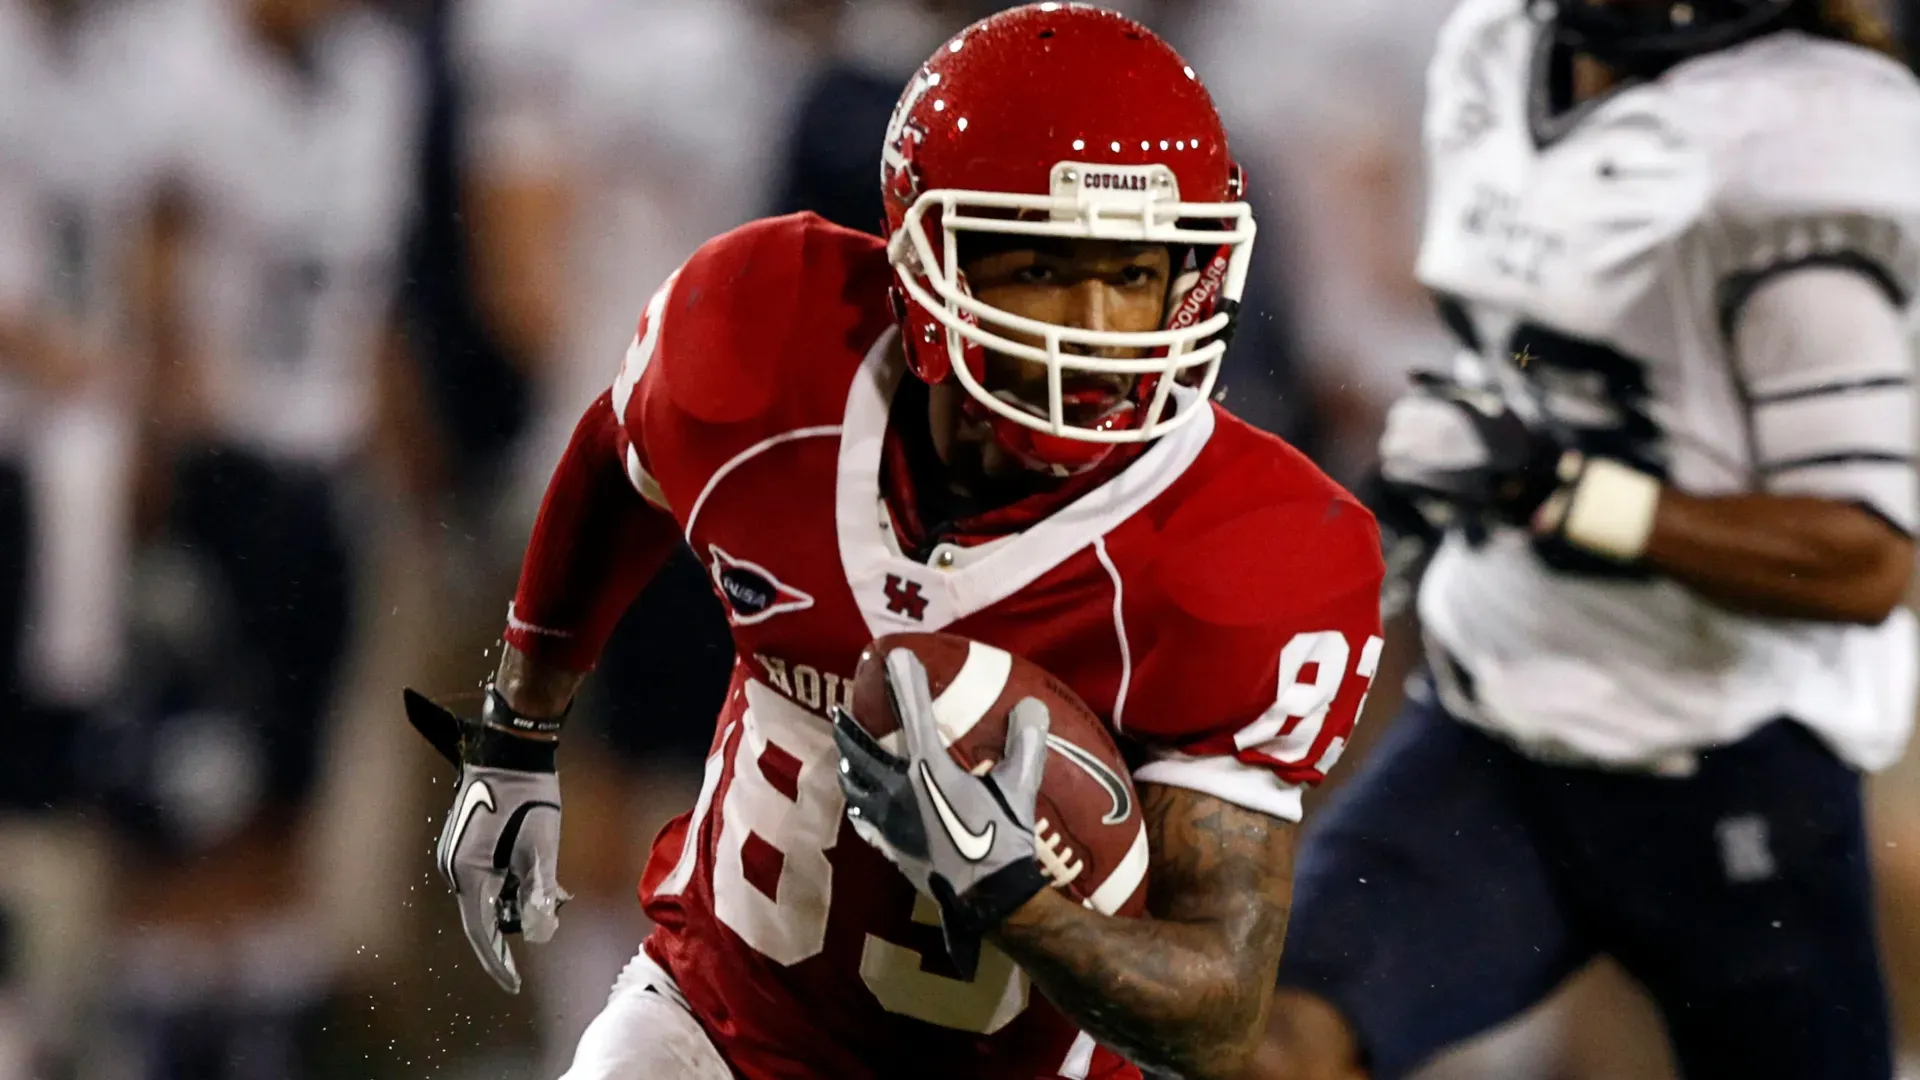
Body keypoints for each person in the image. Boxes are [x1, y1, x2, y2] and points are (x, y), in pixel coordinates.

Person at [404, 5, 1385, 1079]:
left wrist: (1017, 900)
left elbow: (1220, 1011)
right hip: (715, 1025)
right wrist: (519, 729)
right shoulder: (773, 342)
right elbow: (617, 452)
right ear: (929, 258)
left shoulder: (1248, 544)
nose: (1099, 329)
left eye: (1135, 274)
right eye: (1043, 268)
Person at [1256, 1, 1920, 1078]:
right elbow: (1532, 344)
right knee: (1267, 1046)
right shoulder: (1503, 46)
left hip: (1730, 752)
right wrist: (1461, 452)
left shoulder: (1800, 140)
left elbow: (1861, 558)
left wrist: (1560, 492)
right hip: (1501, 719)